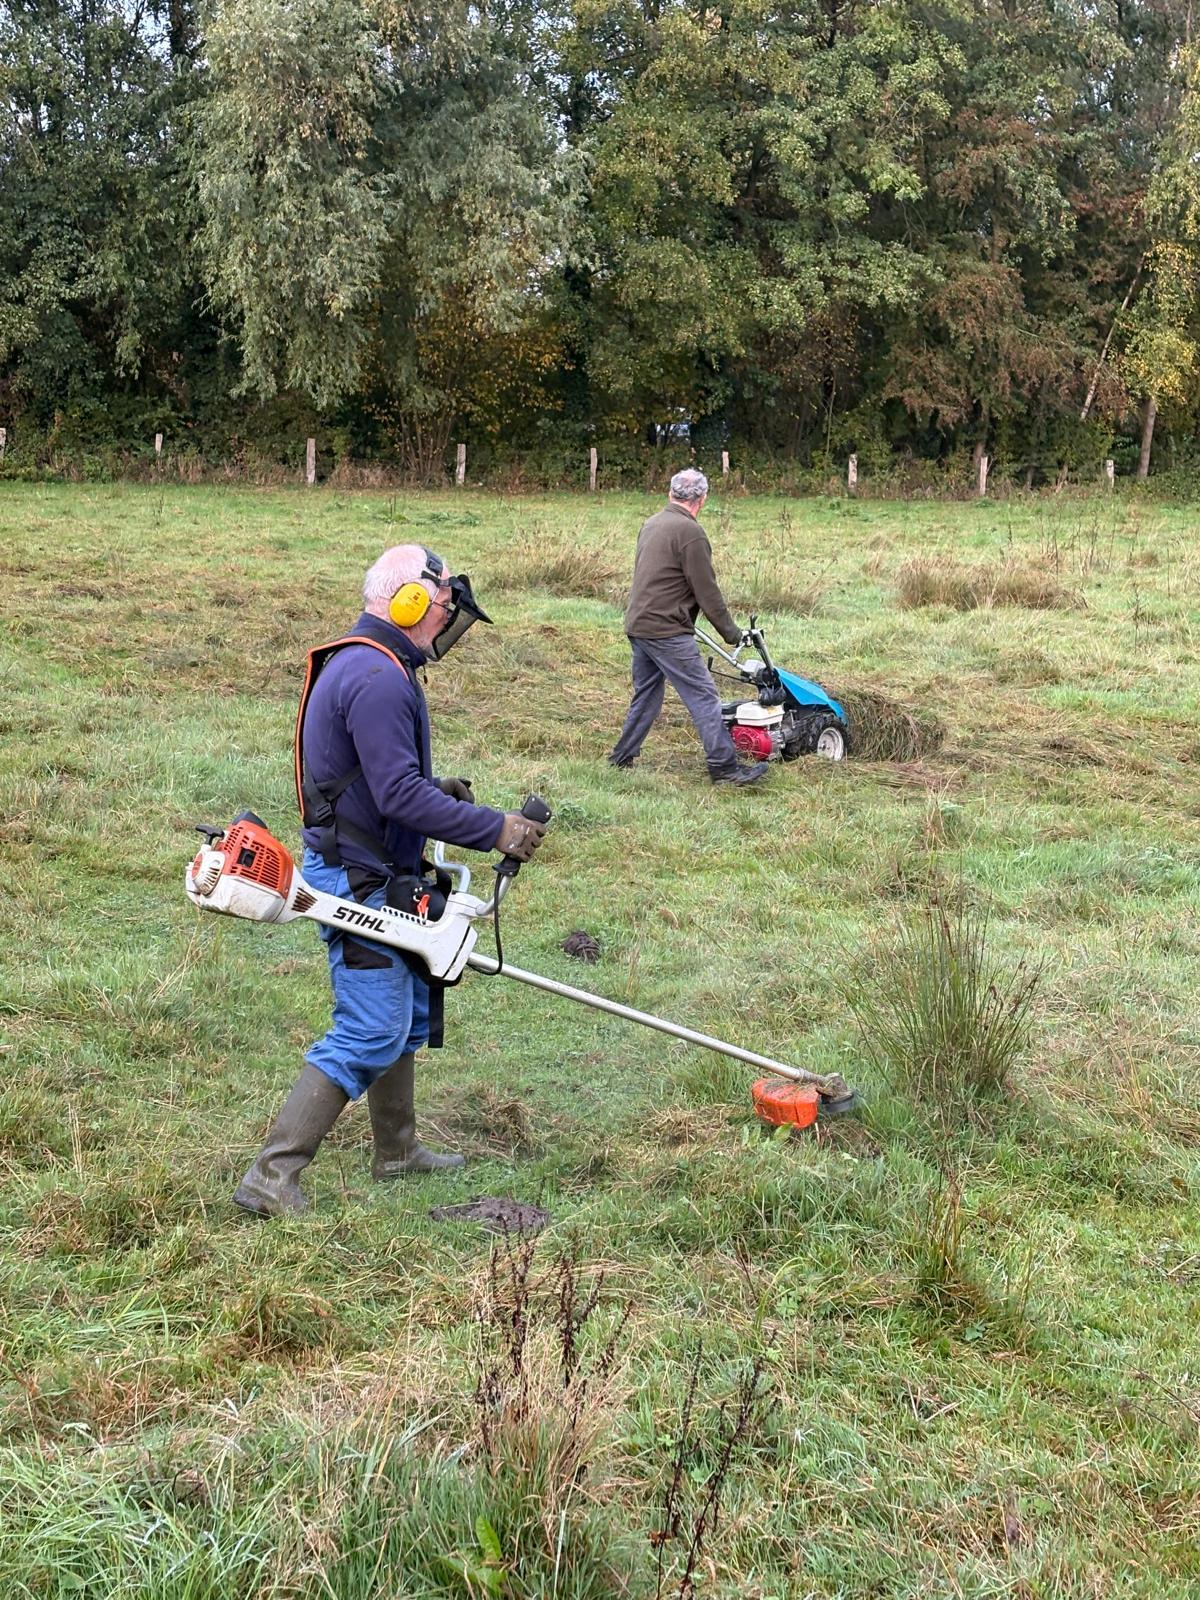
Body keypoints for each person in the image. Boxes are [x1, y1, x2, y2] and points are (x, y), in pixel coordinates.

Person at [234, 544, 547, 1218]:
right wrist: (493, 827)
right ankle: (270, 1176)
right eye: (442, 605)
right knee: (371, 1028)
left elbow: (371, 779)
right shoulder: (377, 677)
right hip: (358, 878)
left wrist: (438, 791)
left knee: (402, 1019)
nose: (447, 620)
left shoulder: (370, 662)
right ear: (406, 601)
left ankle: (398, 1152)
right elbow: (398, 796)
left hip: (377, 866)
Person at [608, 468, 768, 785]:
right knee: (704, 697)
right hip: (665, 630)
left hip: (639, 623)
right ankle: (725, 768)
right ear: (702, 499)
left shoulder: (651, 523)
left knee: (647, 695)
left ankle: (621, 758)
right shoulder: (691, 533)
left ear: (671, 493)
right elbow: (707, 593)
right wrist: (733, 635)